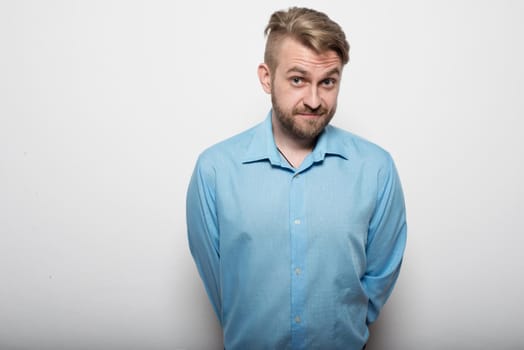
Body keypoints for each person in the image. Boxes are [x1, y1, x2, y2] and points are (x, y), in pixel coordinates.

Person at [186, 7, 407, 350]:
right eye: (298, 79)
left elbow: (379, 278)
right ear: (266, 77)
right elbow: (222, 288)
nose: (315, 100)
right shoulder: (214, 172)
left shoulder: (376, 169)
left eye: (328, 82)